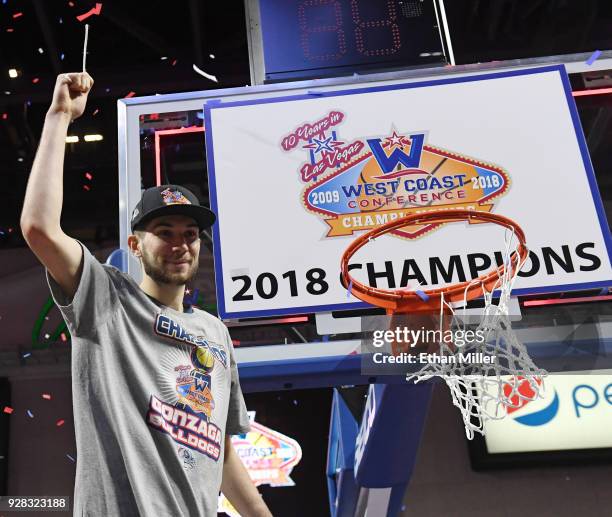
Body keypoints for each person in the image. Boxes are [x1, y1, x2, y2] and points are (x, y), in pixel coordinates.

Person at [20, 72, 272, 516]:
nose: (181, 243)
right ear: (135, 245)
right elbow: (39, 228)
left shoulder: (214, 333)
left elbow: (223, 453)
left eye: (190, 233)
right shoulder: (105, 299)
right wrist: (59, 116)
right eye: (164, 232)